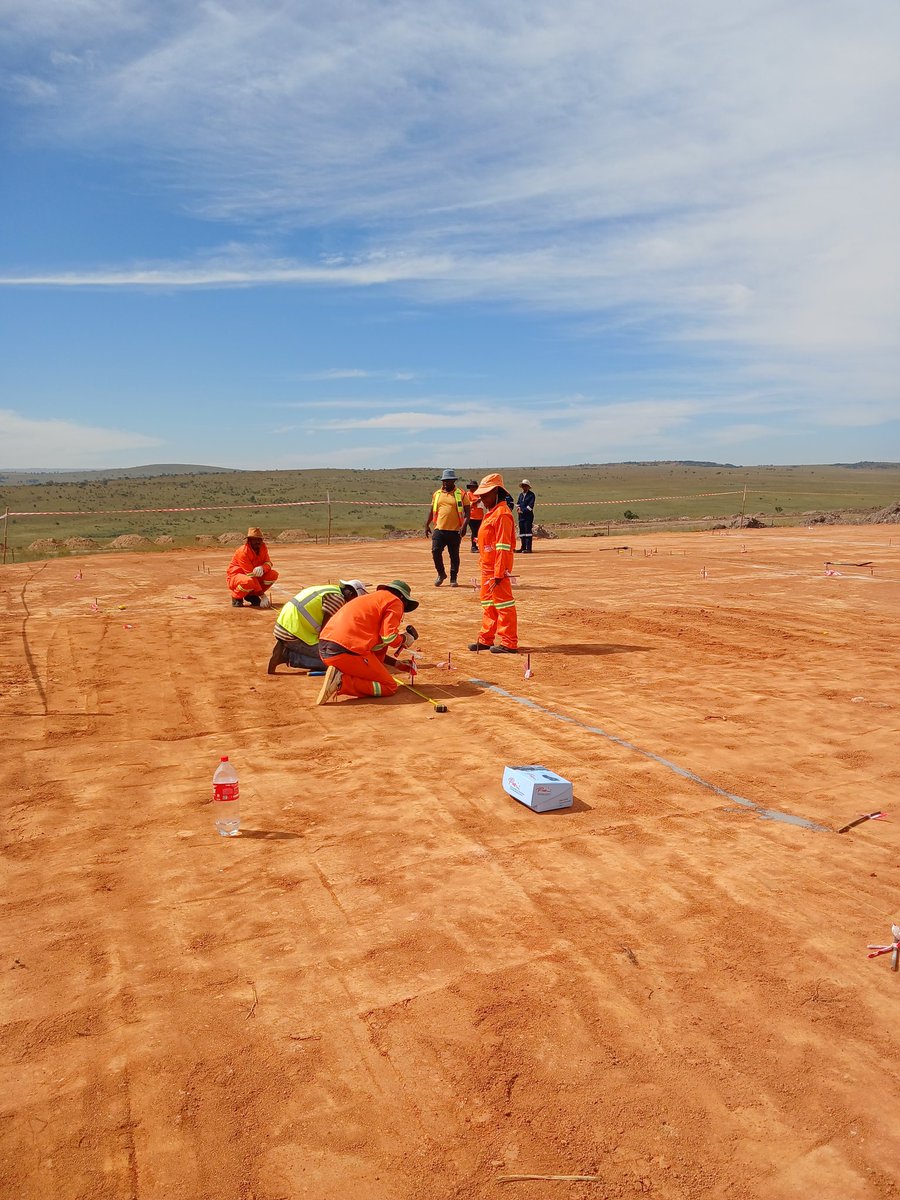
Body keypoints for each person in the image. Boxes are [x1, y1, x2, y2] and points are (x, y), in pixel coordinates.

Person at [316, 580, 420, 704]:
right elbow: (389, 637)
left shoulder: (371, 600)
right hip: (346, 651)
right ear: (402, 597)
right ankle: (341, 682)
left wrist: (396, 663)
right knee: (389, 686)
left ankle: (341, 676)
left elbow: (376, 648)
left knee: (378, 658)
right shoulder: (395, 601)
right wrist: (404, 639)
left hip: (326, 650)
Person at [267, 579, 368, 673]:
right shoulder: (338, 599)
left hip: (285, 627)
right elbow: (325, 630)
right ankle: (288, 656)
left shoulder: (331, 590)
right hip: (292, 634)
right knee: (333, 661)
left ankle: (287, 648)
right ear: (351, 593)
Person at [468, 473, 518, 654]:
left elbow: (503, 546)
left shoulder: (502, 514)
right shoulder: (491, 513)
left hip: (497, 569)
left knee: (503, 605)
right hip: (487, 568)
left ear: (496, 492)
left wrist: (499, 572)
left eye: (485, 495)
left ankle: (509, 642)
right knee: (488, 604)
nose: (481, 498)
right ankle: (486, 639)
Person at [424, 469, 469, 587]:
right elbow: (431, 510)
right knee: (435, 551)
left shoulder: (461, 494)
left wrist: (464, 526)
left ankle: (453, 578)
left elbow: (468, 512)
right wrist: (427, 524)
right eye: (444, 481)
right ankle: (441, 573)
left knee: (454, 555)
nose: (445, 483)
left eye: (448, 481)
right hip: (439, 529)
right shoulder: (437, 494)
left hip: (455, 531)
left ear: (453, 481)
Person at [227, 527, 279, 608]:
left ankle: (252, 595)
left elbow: (268, 563)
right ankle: (236, 597)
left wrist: (262, 568)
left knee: (273, 574)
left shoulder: (263, 548)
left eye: (259, 539)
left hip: (252, 576)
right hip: (237, 577)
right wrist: (262, 596)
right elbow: (250, 574)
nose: (258, 542)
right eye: (255, 539)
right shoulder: (243, 552)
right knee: (248, 581)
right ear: (249, 540)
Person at [464, 480, 484, 553]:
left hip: (480, 516)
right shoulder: (468, 494)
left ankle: (477, 545)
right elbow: (468, 504)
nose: (472, 488)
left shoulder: (479, 494)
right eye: (471, 487)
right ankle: (473, 546)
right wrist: (476, 501)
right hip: (472, 516)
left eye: (473, 487)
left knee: (478, 532)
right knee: (474, 532)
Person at [516, 479, 536, 553]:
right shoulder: (521, 495)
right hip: (521, 517)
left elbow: (530, 506)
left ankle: (528, 548)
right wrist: (518, 508)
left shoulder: (531, 495)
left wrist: (523, 511)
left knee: (528, 532)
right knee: (522, 532)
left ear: (528, 487)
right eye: (523, 486)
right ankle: (523, 547)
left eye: (525, 486)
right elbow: (518, 503)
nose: (524, 487)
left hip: (528, 516)